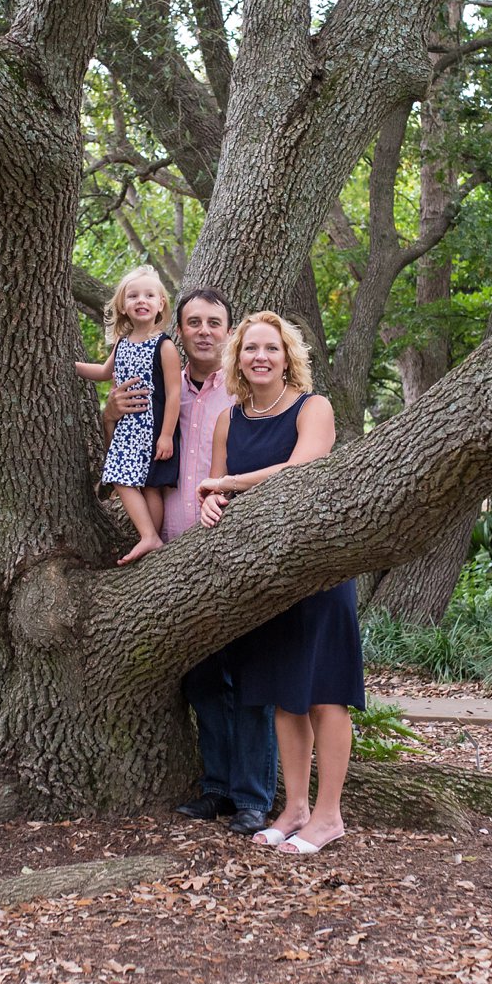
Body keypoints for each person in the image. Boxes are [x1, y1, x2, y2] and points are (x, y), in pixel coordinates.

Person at [106, 287, 277, 837]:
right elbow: (127, 446)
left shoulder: (249, 388)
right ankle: (218, 789)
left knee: (250, 677)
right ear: (177, 331)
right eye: (194, 322)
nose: (205, 331)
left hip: (238, 544)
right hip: (179, 546)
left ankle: (253, 796)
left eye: (215, 322)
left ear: (229, 331)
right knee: (202, 680)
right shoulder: (163, 386)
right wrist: (109, 410)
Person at [198, 311, 364, 856]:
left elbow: (301, 467)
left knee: (323, 696)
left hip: (317, 568)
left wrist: (227, 483)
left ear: (288, 356)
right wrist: (214, 503)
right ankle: (293, 809)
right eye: (250, 349)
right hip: (264, 579)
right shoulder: (228, 420)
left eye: (271, 348)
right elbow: (216, 493)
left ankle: (329, 815)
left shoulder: (312, 408)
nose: (260, 357)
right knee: (285, 700)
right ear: (237, 358)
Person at [76, 265, 183, 564]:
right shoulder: (122, 343)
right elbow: (102, 372)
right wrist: (69, 365)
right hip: (127, 427)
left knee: (146, 483)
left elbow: (175, 393)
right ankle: (150, 536)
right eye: (133, 295)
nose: (141, 300)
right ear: (123, 305)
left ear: (161, 303)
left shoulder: (164, 346)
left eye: (150, 295)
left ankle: (150, 535)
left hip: (151, 427)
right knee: (125, 478)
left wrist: (165, 435)